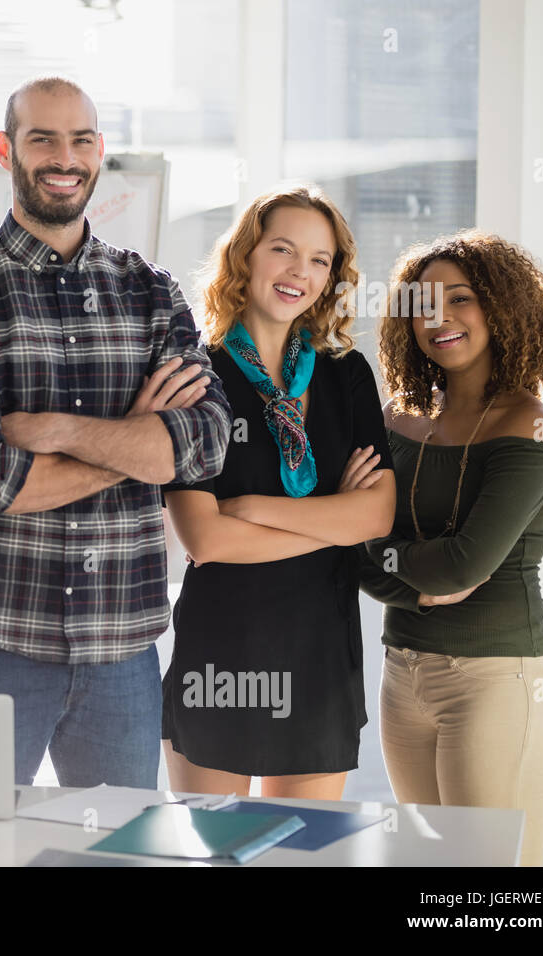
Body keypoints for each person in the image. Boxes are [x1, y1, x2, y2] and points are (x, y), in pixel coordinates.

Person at [0, 76, 231, 789]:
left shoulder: (152, 291)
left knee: (120, 856)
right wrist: (140, 442)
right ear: (5, 150)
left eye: (81, 139)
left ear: (99, 152)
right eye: (42, 138)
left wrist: (50, 428)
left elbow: (206, 443)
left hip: (124, 656)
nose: (64, 156)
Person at [159, 184, 395, 800]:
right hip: (220, 658)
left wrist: (258, 510)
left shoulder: (347, 374)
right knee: (215, 854)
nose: (301, 272)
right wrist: (329, 520)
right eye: (284, 249)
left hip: (321, 656)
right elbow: (205, 538)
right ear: (245, 256)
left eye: (321, 260)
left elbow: (377, 515)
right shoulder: (194, 376)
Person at [358, 230, 543, 866]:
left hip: (499, 678)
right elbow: (355, 552)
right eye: (422, 304)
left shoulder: (529, 425)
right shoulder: (397, 418)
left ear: (502, 307)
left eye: (460, 300)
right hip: (404, 672)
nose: (438, 319)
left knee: (491, 887)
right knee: (430, 874)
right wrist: (393, 561)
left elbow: (466, 563)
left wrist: (380, 551)